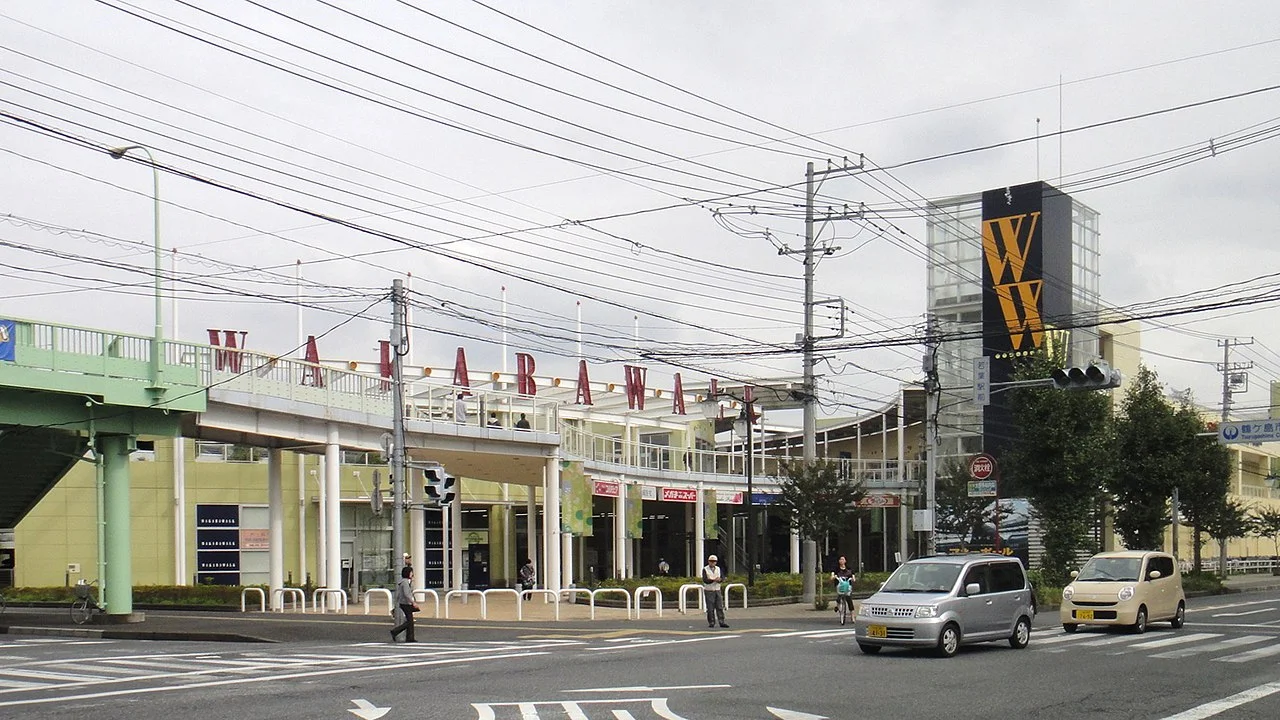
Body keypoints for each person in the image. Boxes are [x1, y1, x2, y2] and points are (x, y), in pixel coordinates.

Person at [389, 566, 420, 643]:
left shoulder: (406, 582)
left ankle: (410, 637)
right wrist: (413, 602)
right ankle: (396, 631)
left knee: (410, 621)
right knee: (410, 621)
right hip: (405, 603)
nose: (412, 574)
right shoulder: (405, 582)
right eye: (411, 572)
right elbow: (407, 594)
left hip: (405, 603)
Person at [700, 554, 728, 628]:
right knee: (710, 607)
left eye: (714, 561)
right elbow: (705, 580)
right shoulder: (705, 569)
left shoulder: (718, 569)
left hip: (717, 589)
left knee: (719, 606)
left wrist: (720, 580)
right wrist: (713, 580)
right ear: (708, 561)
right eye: (711, 561)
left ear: (716, 562)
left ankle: (721, 621)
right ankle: (711, 622)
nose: (712, 563)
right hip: (709, 590)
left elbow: (722, 577)